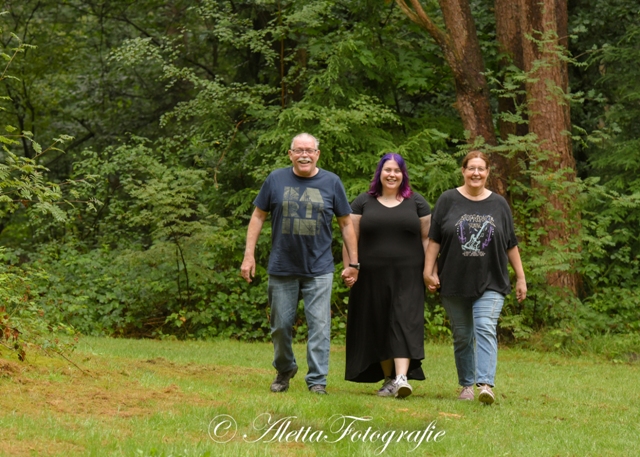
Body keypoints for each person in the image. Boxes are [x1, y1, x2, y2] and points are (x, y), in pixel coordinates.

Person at [240, 133, 359, 395]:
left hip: (319, 268)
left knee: (320, 326)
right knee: (280, 326)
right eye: (299, 150)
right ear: (290, 154)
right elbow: (258, 216)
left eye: (309, 150)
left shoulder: (331, 182)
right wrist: (249, 255)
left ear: (317, 154)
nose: (304, 155)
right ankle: (285, 369)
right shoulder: (275, 179)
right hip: (282, 266)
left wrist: (354, 262)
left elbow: (346, 223)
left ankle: (317, 380)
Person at [424, 150, 527, 405]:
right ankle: (466, 386)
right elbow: (434, 240)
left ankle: (485, 385)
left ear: (488, 172)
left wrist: (521, 278)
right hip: (454, 279)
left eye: (481, 169)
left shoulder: (499, 204)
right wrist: (428, 271)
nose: (476, 173)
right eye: (471, 168)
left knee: (484, 326)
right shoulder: (447, 200)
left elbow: (511, 244)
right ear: (463, 171)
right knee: (462, 335)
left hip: (491, 279)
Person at [343, 153, 431, 398]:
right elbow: (350, 238)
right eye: (387, 170)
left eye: (397, 170)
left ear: (403, 174)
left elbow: (428, 239)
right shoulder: (363, 202)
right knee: (379, 324)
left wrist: (430, 271)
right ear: (379, 173)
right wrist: (350, 267)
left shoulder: (417, 202)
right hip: (371, 277)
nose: (392, 174)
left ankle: (402, 378)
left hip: (409, 275)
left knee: (404, 321)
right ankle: (389, 379)